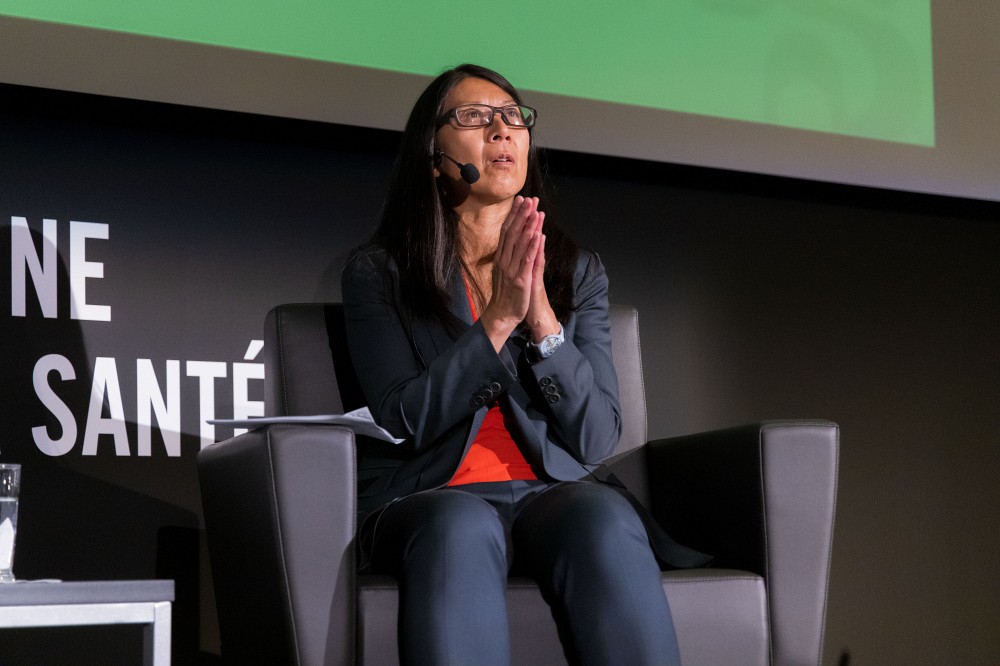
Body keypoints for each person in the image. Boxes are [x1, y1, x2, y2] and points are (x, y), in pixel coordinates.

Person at [342, 64, 702, 665]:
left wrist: (541, 319)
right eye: (474, 118)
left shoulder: (575, 272)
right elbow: (405, 417)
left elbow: (595, 434)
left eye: (512, 117)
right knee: (460, 527)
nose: (501, 130)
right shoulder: (381, 274)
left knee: (603, 518)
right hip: (433, 490)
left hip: (547, 488)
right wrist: (498, 319)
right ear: (433, 158)